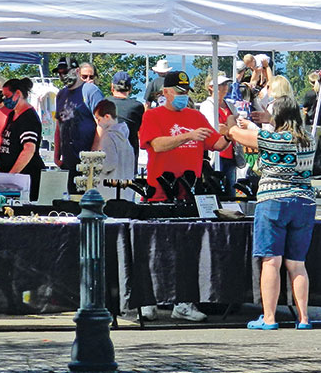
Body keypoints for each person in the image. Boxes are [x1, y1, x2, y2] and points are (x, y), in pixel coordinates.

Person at [137, 69, 231, 323]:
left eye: (185, 92)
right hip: (159, 193)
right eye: (177, 92)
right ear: (165, 92)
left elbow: (218, 144)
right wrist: (187, 136)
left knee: (186, 252)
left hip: (189, 194)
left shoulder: (195, 115)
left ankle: (184, 301)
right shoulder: (153, 116)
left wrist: (231, 131)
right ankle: (148, 300)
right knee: (156, 250)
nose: (182, 97)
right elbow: (156, 145)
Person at [227, 98, 317, 330]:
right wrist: (259, 125)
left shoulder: (273, 138)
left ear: (278, 117)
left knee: (271, 261)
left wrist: (233, 123)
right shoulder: (309, 140)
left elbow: (236, 134)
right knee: (298, 264)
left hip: (274, 200)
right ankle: (304, 318)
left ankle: (269, 318)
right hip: (305, 202)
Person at [54, 62, 104, 194]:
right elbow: (59, 124)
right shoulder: (61, 94)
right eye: (84, 76)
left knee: (86, 197)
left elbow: (102, 123)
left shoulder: (92, 91)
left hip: (86, 157)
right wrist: (56, 154)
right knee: (69, 197)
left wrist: (94, 153)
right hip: (68, 157)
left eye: (91, 77)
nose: (88, 80)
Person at [0, 78, 45, 203]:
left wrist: (11, 176)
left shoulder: (29, 118)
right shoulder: (13, 114)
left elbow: (29, 149)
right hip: (10, 177)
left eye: (7, 96)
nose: (4, 99)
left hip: (25, 177)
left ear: (18, 94)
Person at [199, 72, 238, 195]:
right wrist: (232, 128)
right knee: (215, 187)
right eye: (221, 84)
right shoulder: (207, 105)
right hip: (216, 153)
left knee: (231, 188)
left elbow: (234, 126)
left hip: (231, 152)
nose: (225, 87)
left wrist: (227, 128)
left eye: (226, 84)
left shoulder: (230, 105)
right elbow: (215, 128)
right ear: (211, 87)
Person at [91, 99, 135, 200]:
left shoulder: (108, 137)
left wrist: (95, 162)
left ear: (107, 116)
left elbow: (108, 165)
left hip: (110, 194)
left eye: (99, 119)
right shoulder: (125, 138)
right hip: (126, 193)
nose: (98, 123)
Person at [106, 70, 144, 164]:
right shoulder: (137, 106)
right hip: (129, 158)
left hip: (107, 155)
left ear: (112, 87)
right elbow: (141, 131)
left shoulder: (104, 103)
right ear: (130, 88)